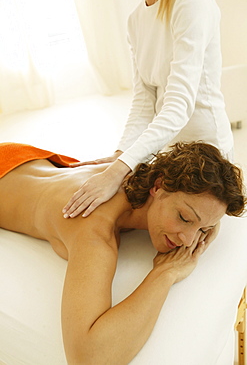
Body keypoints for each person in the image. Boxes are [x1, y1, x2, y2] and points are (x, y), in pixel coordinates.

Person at [0, 141, 245, 364]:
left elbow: (207, 206)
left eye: (203, 228)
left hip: (25, 158)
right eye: (184, 218)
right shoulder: (94, 230)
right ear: (158, 187)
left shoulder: (136, 173)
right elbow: (87, 357)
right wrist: (164, 274)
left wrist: (205, 223)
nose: (189, 240)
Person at [62, 0, 234, 219]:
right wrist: (121, 154)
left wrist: (119, 169)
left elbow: (178, 105)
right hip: (171, 150)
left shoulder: (192, 1)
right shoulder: (135, 20)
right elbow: (144, 104)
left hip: (209, 154)